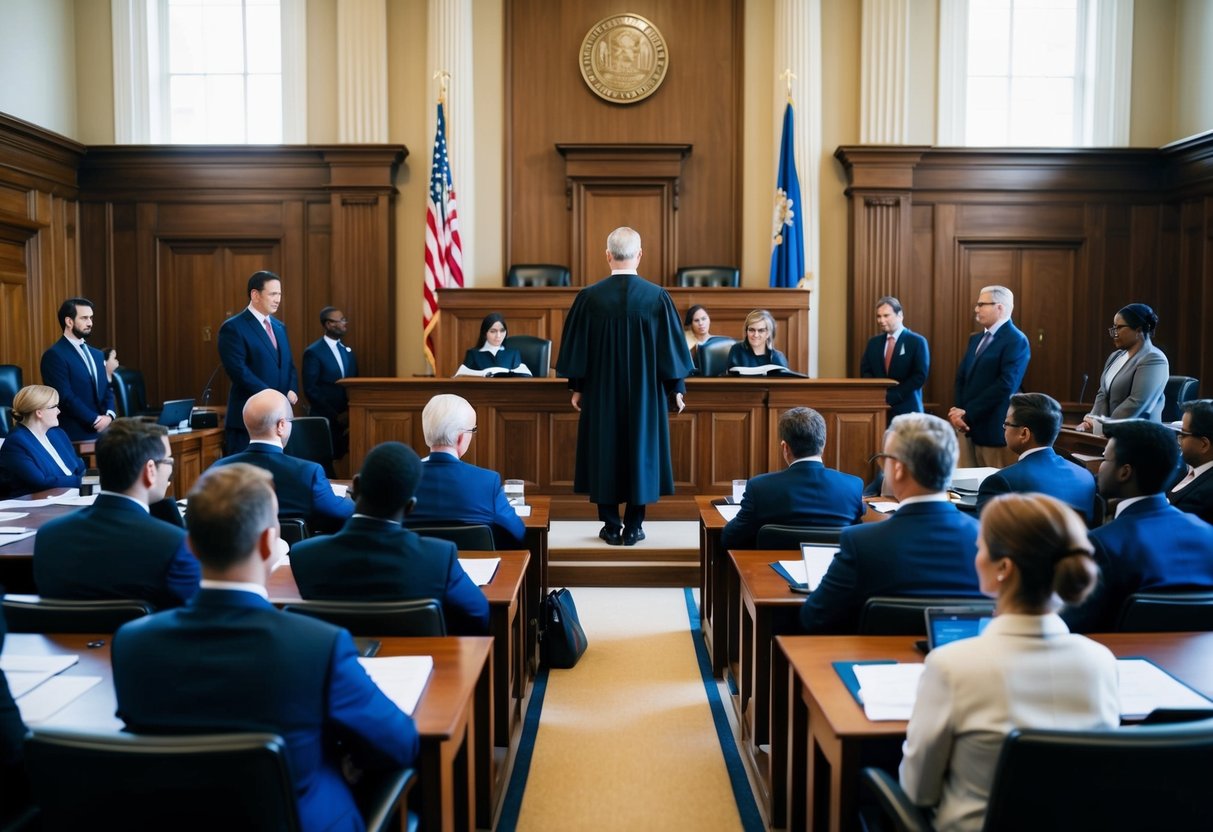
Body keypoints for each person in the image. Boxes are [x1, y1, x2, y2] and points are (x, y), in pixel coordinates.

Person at [111, 463, 418, 832]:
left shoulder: (130, 643)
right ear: (268, 542)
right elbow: (400, 743)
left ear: (189, 543)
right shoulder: (319, 645)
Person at [899, 493, 1119, 832]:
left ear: (1004, 568)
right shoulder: (1101, 662)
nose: (976, 556)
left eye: (981, 547)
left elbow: (918, 791)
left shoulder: (951, 666)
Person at [555, 226, 694, 546]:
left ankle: (610, 524)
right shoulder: (657, 297)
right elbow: (670, 349)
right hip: (645, 393)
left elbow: (578, 350)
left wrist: (578, 386)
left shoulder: (589, 298)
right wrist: (677, 388)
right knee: (640, 450)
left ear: (607, 255)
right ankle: (634, 525)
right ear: (640, 254)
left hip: (601, 392)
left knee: (605, 450)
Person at [799, 413, 983, 634]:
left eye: (884, 458)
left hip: (873, 663)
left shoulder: (861, 543)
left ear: (897, 469)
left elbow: (815, 617)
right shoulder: (987, 541)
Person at [292, 441, 490, 635]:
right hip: (420, 662)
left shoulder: (303, 556)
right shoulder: (439, 558)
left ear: (356, 487)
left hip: (335, 664)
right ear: (410, 506)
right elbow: (478, 613)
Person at [33, 418, 200, 608]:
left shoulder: (49, 536)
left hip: (58, 638)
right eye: (169, 461)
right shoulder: (175, 544)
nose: (170, 469)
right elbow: (198, 614)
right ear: (150, 470)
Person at [1064, 419, 1213, 632]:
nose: (1100, 468)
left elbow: (1072, 625)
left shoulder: (1102, 544)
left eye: (1105, 458)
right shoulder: (1208, 536)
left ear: (1124, 472)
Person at [210, 389, 353, 534]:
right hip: (298, 554)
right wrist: (349, 498)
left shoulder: (219, 469)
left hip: (236, 552)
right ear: (281, 426)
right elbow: (342, 511)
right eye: (291, 421)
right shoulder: (309, 472)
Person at [721, 407, 865, 550]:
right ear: (823, 443)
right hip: (831, 569)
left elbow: (730, 538)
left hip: (770, 571)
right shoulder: (853, 485)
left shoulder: (759, 487)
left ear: (785, 447)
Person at [404, 393, 526, 547]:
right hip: (477, 569)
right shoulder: (487, 482)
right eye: (472, 430)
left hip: (416, 568)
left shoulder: (403, 481)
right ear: (461, 437)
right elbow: (518, 532)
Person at [975, 392, 1097, 524]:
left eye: (1006, 424)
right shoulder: (1086, 477)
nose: (1004, 429)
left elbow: (987, 533)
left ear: (1024, 433)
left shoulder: (1001, 482)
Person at [949, 285, 1031, 469]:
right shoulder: (975, 339)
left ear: (1000, 307)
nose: (976, 309)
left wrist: (968, 413)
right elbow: (961, 377)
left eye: (981, 304)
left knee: (994, 490)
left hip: (993, 429)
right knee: (965, 489)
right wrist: (958, 412)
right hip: (967, 428)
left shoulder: (1016, 340)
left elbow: (1005, 385)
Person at [218, 270, 299, 454]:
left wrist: (292, 388)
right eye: (272, 294)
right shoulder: (233, 327)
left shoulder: (279, 327)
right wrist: (272, 396)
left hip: (279, 421)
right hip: (249, 419)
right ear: (255, 295)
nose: (278, 299)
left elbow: (289, 365)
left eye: (279, 294)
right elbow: (239, 371)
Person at [1078, 303, 1169, 430]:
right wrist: (1092, 422)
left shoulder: (1154, 359)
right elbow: (1102, 393)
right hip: (1112, 434)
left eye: (1119, 328)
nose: (1114, 334)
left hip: (1140, 438)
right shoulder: (1115, 356)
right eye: (1113, 328)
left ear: (1138, 329)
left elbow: (1136, 403)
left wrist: (1101, 426)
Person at [39, 297, 117, 441]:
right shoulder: (54, 355)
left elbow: (107, 388)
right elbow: (65, 396)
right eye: (84, 318)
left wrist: (109, 416)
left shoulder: (98, 355)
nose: (90, 323)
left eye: (91, 318)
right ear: (69, 322)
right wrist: (94, 420)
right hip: (74, 435)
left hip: (105, 432)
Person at [0, 385, 85, 497]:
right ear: (39, 413)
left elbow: (80, 467)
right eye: (54, 406)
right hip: (35, 505)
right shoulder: (16, 442)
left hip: (72, 496)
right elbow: (40, 482)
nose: (58, 411)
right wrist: (83, 481)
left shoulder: (57, 433)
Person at [859, 296, 929, 416]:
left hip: (908, 410)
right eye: (878, 316)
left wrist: (896, 395)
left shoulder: (917, 341)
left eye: (886, 315)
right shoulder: (873, 343)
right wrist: (878, 394)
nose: (881, 320)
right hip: (879, 409)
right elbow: (865, 371)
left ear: (900, 315)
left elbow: (919, 376)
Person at [302, 306, 357, 459]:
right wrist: (335, 415)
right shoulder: (313, 352)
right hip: (326, 418)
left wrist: (348, 412)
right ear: (328, 325)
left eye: (344, 319)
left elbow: (353, 383)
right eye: (341, 320)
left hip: (347, 418)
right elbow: (311, 389)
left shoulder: (347, 351)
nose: (345, 323)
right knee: (326, 461)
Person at [1169, 399, 1213, 524]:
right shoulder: (1184, 466)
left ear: (1204, 444)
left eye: (1183, 434)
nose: (1179, 440)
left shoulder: (1205, 497)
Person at [456, 312, 531, 376]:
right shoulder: (473, 354)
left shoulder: (513, 353)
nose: (498, 336)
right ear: (484, 333)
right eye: (493, 331)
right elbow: (461, 376)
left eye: (502, 331)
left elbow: (524, 376)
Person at [684, 305, 728, 375]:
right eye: (696, 320)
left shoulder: (719, 342)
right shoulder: (685, 342)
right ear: (691, 324)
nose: (701, 323)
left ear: (709, 320)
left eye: (704, 319)